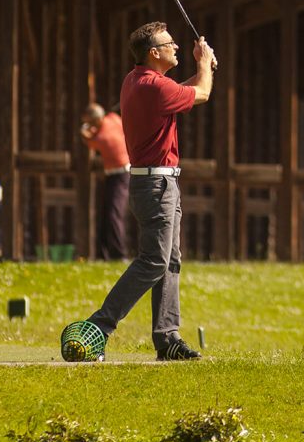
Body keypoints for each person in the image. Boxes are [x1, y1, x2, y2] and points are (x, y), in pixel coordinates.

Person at [77, 22, 217, 361]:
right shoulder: (154, 87)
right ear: (154, 53)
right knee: (154, 261)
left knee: (170, 261)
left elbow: (183, 93)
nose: (176, 48)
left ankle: (167, 338)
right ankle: (99, 326)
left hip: (156, 182)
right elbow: (202, 93)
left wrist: (201, 71)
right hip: (157, 184)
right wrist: (204, 63)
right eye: (169, 44)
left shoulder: (138, 81)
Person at [81, 102, 131, 260]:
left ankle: (119, 254)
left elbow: (90, 142)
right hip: (114, 175)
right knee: (106, 214)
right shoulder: (114, 118)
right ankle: (104, 254)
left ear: (95, 120)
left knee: (113, 214)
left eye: (90, 121)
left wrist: (84, 131)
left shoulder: (102, 137)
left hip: (121, 175)